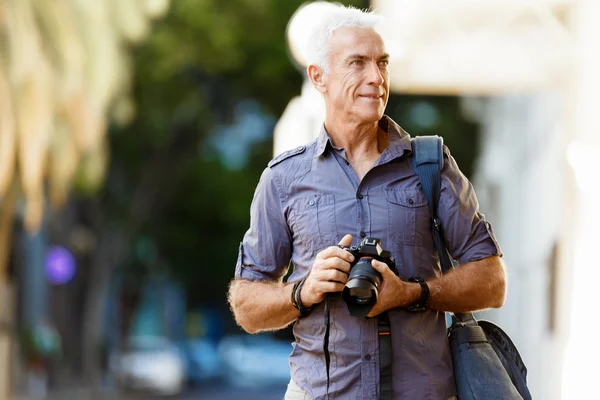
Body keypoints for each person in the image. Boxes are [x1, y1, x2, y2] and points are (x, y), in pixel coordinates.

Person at [228, 5, 506, 400]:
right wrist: (304, 290)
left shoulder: (430, 164)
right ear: (318, 77)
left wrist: (413, 293)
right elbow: (246, 306)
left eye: (382, 63)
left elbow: (492, 282)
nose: (375, 78)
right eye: (357, 63)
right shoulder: (283, 178)